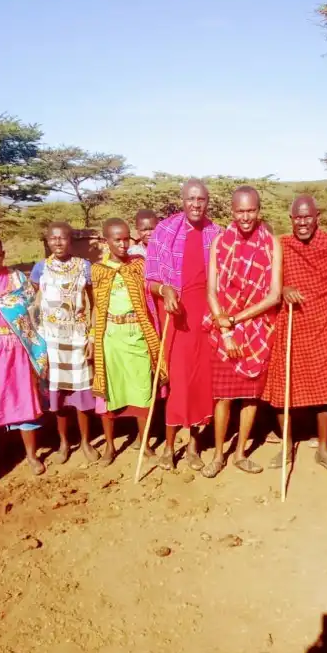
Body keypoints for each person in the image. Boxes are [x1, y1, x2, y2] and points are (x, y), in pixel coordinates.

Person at [262, 195, 327, 473]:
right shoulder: (282, 245)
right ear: (291, 219)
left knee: (326, 391)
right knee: (283, 387)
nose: (303, 222)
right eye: (298, 218)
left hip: (326, 327)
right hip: (292, 326)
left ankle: (323, 450)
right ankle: (287, 447)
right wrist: (283, 290)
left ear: (317, 217)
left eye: (308, 217)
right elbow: (268, 280)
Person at [202, 186, 282, 478]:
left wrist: (236, 319)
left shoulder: (272, 244)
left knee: (250, 396)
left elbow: (274, 296)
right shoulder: (220, 243)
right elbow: (211, 290)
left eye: (251, 211)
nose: (245, 217)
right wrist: (225, 328)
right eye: (240, 211)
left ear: (258, 211)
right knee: (222, 396)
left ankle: (239, 454)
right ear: (232, 211)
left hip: (257, 331)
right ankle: (218, 455)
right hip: (223, 330)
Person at [145, 179, 222, 471]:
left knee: (201, 382)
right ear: (182, 200)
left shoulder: (217, 233)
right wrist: (165, 290)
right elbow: (150, 280)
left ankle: (193, 446)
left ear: (207, 202)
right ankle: (168, 446)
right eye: (191, 198)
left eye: (201, 199)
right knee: (178, 382)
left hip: (205, 315)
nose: (196, 204)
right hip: (175, 316)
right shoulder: (164, 231)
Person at [0, 233, 48, 476]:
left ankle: (32, 455)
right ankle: (2, 453)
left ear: (3, 254)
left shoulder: (17, 279)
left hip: (18, 348)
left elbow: (30, 308)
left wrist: (3, 305)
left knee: (24, 398)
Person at [92, 218, 167, 466]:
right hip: (110, 337)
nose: (123, 244)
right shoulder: (98, 270)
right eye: (117, 240)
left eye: (126, 239)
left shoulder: (139, 266)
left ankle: (144, 443)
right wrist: (93, 337)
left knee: (143, 389)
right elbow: (96, 307)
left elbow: (151, 294)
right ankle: (109, 447)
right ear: (106, 241)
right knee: (109, 392)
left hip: (137, 333)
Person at [31, 222, 98, 463]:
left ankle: (86, 442)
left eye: (63, 238)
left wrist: (92, 336)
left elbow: (94, 303)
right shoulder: (40, 268)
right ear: (47, 241)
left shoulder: (85, 267)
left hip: (78, 338)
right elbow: (37, 302)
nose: (58, 242)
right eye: (53, 238)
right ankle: (63, 442)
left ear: (71, 241)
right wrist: (38, 340)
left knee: (81, 394)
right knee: (57, 395)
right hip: (51, 340)